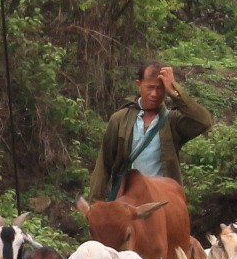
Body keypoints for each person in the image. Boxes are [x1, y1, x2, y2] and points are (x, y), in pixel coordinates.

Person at [87, 63, 212, 201]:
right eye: (150, 87)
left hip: (161, 200)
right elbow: (104, 163)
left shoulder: (172, 121)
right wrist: (95, 203)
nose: (155, 94)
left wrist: (175, 91)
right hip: (126, 200)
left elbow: (204, 121)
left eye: (160, 88)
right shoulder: (120, 119)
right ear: (139, 84)